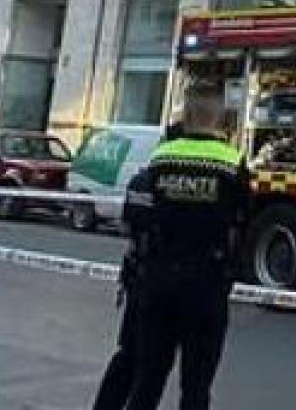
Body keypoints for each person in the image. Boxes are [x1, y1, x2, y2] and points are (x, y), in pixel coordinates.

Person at [120, 101, 248, 410]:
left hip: (159, 281)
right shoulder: (232, 162)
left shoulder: (161, 157)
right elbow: (240, 223)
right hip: (205, 284)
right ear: (220, 123)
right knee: (196, 387)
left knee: (147, 381)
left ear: (187, 119)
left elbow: (141, 217)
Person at [91, 121, 184, 410]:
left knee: (129, 353)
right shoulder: (172, 185)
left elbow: (130, 224)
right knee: (152, 362)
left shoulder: (141, 179)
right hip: (159, 278)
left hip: (137, 273)